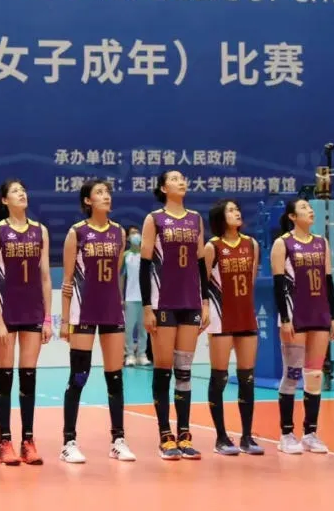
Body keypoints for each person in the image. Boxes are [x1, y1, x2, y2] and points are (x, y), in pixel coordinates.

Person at [58, 179, 136, 464]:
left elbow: (115, 274)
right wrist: (65, 319)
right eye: (99, 193)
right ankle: (68, 442)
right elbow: (68, 281)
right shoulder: (77, 232)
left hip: (111, 310)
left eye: (108, 192)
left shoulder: (118, 233)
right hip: (83, 311)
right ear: (87, 201)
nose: (106, 196)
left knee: (115, 377)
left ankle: (118, 440)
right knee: (79, 376)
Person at [139, 170, 211, 460]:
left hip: (190, 301)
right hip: (163, 302)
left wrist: (205, 301)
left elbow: (201, 262)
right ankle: (165, 435)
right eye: (175, 178)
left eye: (183, 178)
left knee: (184, 370)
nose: (182, 181)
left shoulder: (195, 219)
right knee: (163, 368)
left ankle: (184, 433)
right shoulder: (154, 219)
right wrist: (147, 306)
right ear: (163, 187)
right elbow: (145, 264)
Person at [0, 179, 52, 465]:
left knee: (28, 376)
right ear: (4, 200)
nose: (22, 193)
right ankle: (4, 441)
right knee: (5, 376)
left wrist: (47, 318)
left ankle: (28, 440)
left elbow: (46, 277)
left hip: (33, 311)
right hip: (7, 313)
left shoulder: (40, 230)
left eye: (23, 189)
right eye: (15, 191)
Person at [272, 198, 334, 455]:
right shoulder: (283, 243)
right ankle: (286, 434)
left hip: (319, 314)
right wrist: (285, 319)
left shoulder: (322, 243)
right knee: (292, 374)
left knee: (314, 375)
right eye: (303, 208)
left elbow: (328, 281)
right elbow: (279, 285)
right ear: (292, 216)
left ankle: (310, 433)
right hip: (295, 316)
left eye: (310, 208)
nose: (310, 210)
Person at [202, 199, 263, 456]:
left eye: (237, 209)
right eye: (230, 210)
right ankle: (221, 437)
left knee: (247, 377)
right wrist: (205, 308)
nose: (236, 212)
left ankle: (247, 436)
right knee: (220, 377)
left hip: (245, 314)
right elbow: (202, 283)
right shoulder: (212, 247)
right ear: (219, 217)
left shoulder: (251, 244)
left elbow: (252, 279)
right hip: (221, 316)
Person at [120, 226, 148, 366]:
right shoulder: (125, 255)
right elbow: (121, 278)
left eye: (137, 233)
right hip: (130, 298)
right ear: (128, 238)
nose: (136, 235)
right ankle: (130, 354)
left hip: (145, 299)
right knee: (129, 329)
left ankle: (142, 354)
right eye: (132, 233)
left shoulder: (146, 254)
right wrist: (121, 297)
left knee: (144, 329)